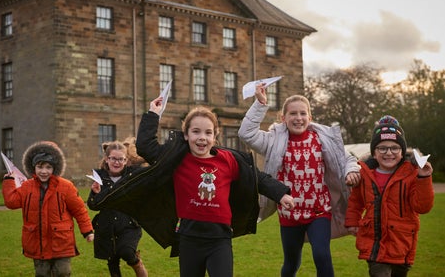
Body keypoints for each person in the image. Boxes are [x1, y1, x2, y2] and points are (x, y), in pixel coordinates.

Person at [126, 96, 295, 277]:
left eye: (208, 133)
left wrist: (281, 194)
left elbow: (257, 179)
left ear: (215, 136)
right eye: (196, 132)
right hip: (189, 238)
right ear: (186, 135)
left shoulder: (228, 160)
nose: (202, 138)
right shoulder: (177, 159)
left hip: (220, 239)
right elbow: (145, 147)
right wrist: (153, 113)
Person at [238, 84, 361, 277]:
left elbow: (346, 159)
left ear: (310, 118)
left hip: (319, 210)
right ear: (283, 118)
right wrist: (260, 104)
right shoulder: (274, 141)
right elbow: (246, 134)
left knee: (322, 256)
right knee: (291, 262)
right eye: (293, 114)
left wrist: (351, 171)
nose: (298, 118)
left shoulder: (323, 139)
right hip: (290, 213)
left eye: (303, 113)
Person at [345, 115, 434, 277]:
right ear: (374, 152)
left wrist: (424, 177)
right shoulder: (364, 173)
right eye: (382, 148)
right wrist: (352, 221)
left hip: (402, 241)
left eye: (394, 148)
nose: (389, 153)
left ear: (402, 151)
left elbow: (422, 207)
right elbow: (356, 201)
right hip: (374, 241)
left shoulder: (411, 173)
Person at [2, 141, 94, 277]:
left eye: (48, 167)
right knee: (42, 273)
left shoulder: (66, 187)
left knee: (63, 272)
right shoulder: (27, 187)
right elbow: (11, 202)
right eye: (40, 167)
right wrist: (9, 181)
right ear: (34, 168)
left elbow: (79, 210)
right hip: (37, 241)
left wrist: (87, 231)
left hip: (61, 241)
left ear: (54, 168)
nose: (44, 171)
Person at [87, 141, 148, 277]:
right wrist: (95, 193)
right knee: (112, 260)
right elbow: (93, 206)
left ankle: (137, 263)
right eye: (113, 158)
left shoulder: (133, 175)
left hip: (129, 225)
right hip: (106, 225)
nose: (117, 162)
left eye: (120, 159)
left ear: (126, 161)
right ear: (107, 159)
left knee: (126, 251)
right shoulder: (100, 177)